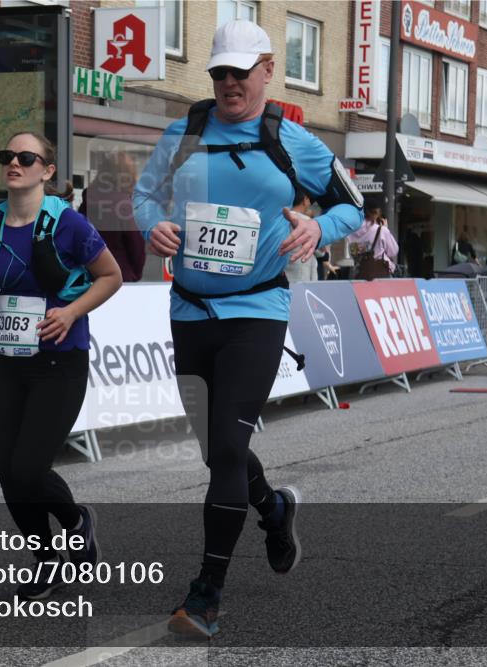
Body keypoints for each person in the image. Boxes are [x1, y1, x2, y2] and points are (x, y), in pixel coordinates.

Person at [133, 19, 363, 638]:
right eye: (220, 73)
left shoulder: (293, 142)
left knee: (229, 449)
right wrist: (152, 224)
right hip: (188, 311)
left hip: (257, 313)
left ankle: (206, 593)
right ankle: (274, 507)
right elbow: (141, 193)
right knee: (216, 451)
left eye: (241, 72)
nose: (230, 83)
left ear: (267, 71)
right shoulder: (182, 133)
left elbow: (352, 203)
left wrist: (320, 229)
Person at [0, 131, 122, 600]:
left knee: (28, 468)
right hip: (4, 361)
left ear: (46, 170)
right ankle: (45, 560)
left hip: (60, 362)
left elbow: (112, 276)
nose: (14, 163)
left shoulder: (68, 224)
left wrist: (70, 312)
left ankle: (75, 521)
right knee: (8, 473)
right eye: (7, 156)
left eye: (27, 158)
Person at [78, 152, 147, 282]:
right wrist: (134, 274)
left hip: (89, 274)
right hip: (120, 276)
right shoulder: (124, 204)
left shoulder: (88, 200)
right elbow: (135, 244)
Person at [346, 204, 399, 277]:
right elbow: (393, 252)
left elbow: (354, 251)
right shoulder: (381, 230)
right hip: (379, 272)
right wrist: (385, 229)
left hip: (359, 273)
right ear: (376, 215)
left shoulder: (351, 231)